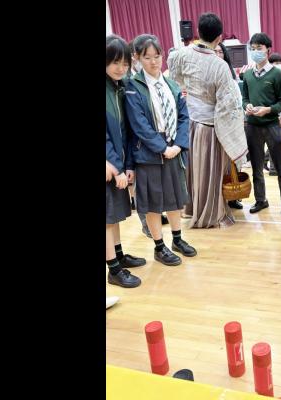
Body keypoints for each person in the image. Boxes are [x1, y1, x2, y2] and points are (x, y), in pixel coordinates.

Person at [169, 14, 249, 228]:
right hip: (211, 127)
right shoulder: (220, 65)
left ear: (198, 32)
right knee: (211, 172)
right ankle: (209, 212)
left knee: (195, 169)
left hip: (190, 123)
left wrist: (190, 92)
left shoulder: (180, 55)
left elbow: (175, 80)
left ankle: (193, 208)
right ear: (219, 37)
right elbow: (227, 104)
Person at [125, 34, 197, 265]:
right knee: (153, 202)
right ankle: (159, 246)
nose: (154, 62)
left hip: (173, 147)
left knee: (175, 198)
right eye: (147, 57)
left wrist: (178, 145)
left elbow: (184, 116)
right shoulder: (133, 87)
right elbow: (139, 125)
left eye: (157, 56)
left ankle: (177, 239)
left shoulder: (171, 84)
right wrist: (162, 148)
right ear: (137, 58)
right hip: (149, 153)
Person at [106, 35, 145, 288]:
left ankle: (119, 255)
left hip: (118, 164)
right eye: (115, 63)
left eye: (125, 63)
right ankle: (113, 269)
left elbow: (126, 131)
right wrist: (115, 166)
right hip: (109, 165)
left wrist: (128, 165)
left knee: (115, 215)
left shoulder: (120, 87)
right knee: (107, 219)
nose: (121, 68)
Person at [242, 32, 281, 218]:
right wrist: (246, 106)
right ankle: (261, 200)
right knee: (256, 167)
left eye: (259, 48)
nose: (255, 51)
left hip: (272, 126)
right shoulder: (247, 74)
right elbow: (244, 97)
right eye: (252, 48)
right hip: (252, 126)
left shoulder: (277, 74)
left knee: (280, 167)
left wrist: (269, 110)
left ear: (268, 50)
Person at [215, 41, 245, 211]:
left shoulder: (231, 77)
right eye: (215, 52)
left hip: (232, 124)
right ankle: (219, 198)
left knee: (233, 162)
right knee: (218, 164)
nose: (218, 55)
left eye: (220, 52)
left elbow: (238, 100)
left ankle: (234, 195)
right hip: (216, 125)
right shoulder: (209, 74)